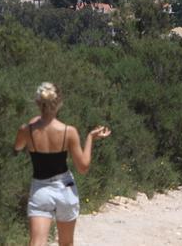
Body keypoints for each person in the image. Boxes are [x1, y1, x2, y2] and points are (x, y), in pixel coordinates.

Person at [13, 82, 111, 246]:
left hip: (41, 189)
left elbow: (17, 147)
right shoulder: (68, 131)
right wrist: (90, 138)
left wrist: (32, 124)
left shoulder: (26, 130)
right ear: (59, 103)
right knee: (66, 243)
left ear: (38, 102)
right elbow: (83, 167)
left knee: (37, 242)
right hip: (65, 188)